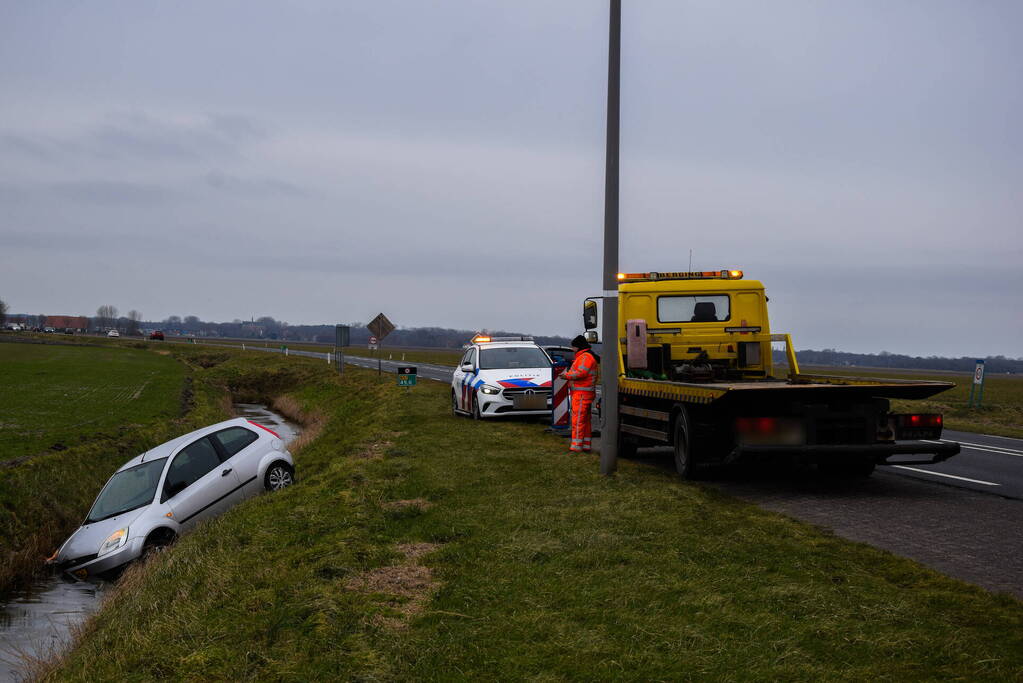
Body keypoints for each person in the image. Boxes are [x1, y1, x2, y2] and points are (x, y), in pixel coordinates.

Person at [560, 335, 598, 453]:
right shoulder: (584, 356)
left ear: (578, 347)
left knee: (578, 421)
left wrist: (566, 376)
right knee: (585, 421)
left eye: (573, 347)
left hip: (582, 394)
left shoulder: (585, 357)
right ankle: (585, 445)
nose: (572, 349)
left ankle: (576, 447)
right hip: (583, 393)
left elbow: (581, 373)